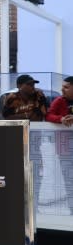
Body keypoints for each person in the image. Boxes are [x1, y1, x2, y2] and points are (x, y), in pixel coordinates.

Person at [1, 75, 48, 208]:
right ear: (19, 86)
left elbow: (42, 114)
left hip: (34, 143)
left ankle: (35, 204)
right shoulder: (11, 98)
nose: (33, 86)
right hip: (16, 142)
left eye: (33, 84)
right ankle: (16, 204)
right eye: (29, 84)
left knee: (36, 174)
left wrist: (24, 117)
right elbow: (7, 117)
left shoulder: (39, 95)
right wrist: (27, 116)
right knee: (16, 174)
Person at [45, 76, 73, 210]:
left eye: (66, 87)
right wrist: (61, 119)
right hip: (65, 147)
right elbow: (48, 116)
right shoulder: (59, 101)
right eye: (62, 86)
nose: (62, 89)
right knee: (69, 180)